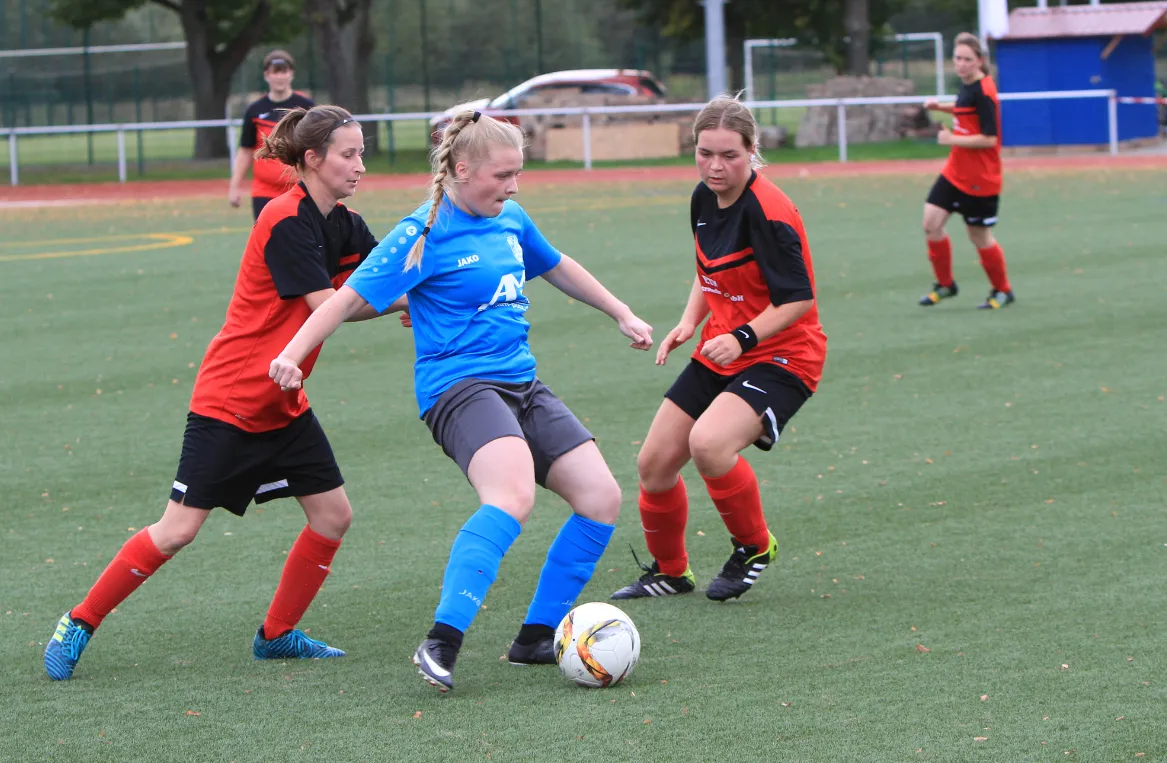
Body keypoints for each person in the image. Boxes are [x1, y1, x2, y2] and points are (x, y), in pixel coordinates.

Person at [268, 109, 654, 693]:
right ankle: (441, 642)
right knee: (512, 495)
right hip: (458, 388)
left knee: (600, 497)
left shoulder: (510, 218)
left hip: (521, 384)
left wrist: (620, 312)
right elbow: (343, 301)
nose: (513, 187)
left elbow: (556, 265)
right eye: (502, 175)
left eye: (517, 173)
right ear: (462, 169)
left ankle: (535, 637)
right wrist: (293, 355)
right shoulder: (421, 232)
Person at [43, 105, 403, 681]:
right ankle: (79, 621)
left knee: (333, 516)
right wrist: (401, 305)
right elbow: (328, 307)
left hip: (284, 402)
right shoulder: (285, 218)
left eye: (362, 152)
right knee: (177, 531)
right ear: (313, 159)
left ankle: (276, 636)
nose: (361, 164)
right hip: (232, 399)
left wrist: (423, 296)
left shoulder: (346, 222)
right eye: (349, 154)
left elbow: (384, 278)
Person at [610, 95, 827, 604]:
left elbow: (798, 300)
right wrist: (691, 321)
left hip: (783, 354)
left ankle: (755, 546)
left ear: (751, 151)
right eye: (705, 153)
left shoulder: (769, 212)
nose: (715, 166)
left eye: (729, 155)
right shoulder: (704, 198)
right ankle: (671, 572)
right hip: (722, 347)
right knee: (654, 464)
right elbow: (709, 268)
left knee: (709, 444)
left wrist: (743, 336)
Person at [918, 32, 1014, 310]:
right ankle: (945, 284)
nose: (961, 64)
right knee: (931, 224)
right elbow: (964, 109)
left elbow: (989, 139)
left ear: (980, 61)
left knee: (978, 236)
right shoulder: (968, 84)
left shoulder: (985, 92)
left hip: (980, 178)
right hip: (954, 172)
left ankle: (1002, 290)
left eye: (967, 59)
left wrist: (951, 139)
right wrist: (941, 107)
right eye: (957, 58)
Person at [229, 50, 316, 220]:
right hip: (264, 191)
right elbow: (246, 150)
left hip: (300, 188)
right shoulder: (255, 110)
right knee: (267, 235)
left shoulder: (306, 108)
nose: (279, 77)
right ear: (266, 75)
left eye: (284, 71)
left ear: (291, 74)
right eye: (275, 72)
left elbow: (317, 147)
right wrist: (234, 186)